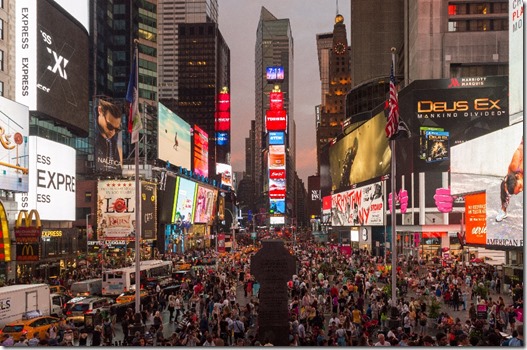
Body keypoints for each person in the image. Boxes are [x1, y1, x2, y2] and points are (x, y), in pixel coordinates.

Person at [496, 138, 523, 222]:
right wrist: (506, 187)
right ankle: (503, 211)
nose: (521, 190)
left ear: (518, 176)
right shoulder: (514, 167)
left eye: (520, 187)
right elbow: (508, 180)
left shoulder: (519, 163)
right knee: (506, 188)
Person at [94, 98, 123, 173]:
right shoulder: (92, 131)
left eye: (117, 130)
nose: (113, 132)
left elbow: (118, 167)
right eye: (110, 126)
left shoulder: (114, 140)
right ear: (100, 111)